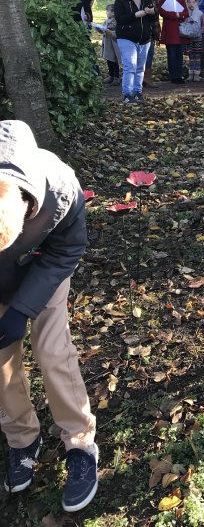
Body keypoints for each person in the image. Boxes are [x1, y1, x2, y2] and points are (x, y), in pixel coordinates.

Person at [0, 120, 98, 512]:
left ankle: (80, 442)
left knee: (52, 351)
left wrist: (23, 307)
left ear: (26, 209)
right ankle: (22, 438)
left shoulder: (60, 188)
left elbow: (66, 252)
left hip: (44, 270)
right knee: (1, 363)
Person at [114, 0, 157, 104]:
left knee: (140, 67)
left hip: (144, 39)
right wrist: (135, 15)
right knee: (130, 66)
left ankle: (137, 92)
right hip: (126, 37)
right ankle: (127, 94)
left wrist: (152, 12)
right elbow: (120, 18)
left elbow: (154, 18)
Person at [182, 0, 204, 82]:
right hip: (188, 38)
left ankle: (197, 74)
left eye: (193, 2)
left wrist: (200, 31)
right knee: (191, 56)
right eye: (189, 2)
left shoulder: (200, 14)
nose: (191, 4)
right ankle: (190, 74)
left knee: (197, 55)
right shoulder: (185, 13)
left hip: (197, 38)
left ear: (196, 3)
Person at [101, 3, 121, 86]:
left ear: (113, 13)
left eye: (107, 11)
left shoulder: (116, 21)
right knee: (109, 60)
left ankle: (116, 77)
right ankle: (111, 76)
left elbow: (118, 33)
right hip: (107, 44)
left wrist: (109, 31)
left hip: (113, 45)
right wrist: (98, 28)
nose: (106, 12)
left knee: (114, 61)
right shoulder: (106, 21)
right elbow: (103, 30)